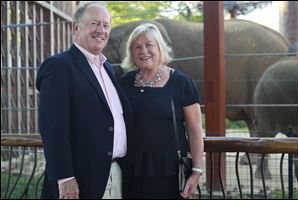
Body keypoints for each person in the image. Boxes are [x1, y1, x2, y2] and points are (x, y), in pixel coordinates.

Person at [36, 2, 132, 199]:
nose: (101, 30)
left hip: (114, 173)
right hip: (79, 179)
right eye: (94, 23)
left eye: (106, 25)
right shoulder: (58, 67)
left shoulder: (106, 68)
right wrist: (64, 177)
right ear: (75, 27)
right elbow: (53, 128)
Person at [119, 23, 204, 199]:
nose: (143, 51)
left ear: (160, 47)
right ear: (131, 52)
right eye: (137, 47)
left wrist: (196, 172)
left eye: (149, 45)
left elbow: (195, 131)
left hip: (169, 173)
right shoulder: (123, 83)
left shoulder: (181, 83)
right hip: (130, 170)